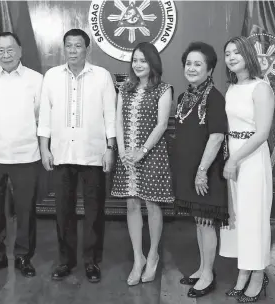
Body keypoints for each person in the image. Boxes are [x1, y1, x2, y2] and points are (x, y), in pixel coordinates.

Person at [38, 29, 116, 283]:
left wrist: (110, 148)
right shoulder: (51, 76)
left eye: (78, 46)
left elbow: (110, 116)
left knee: (94, 211)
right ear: (64, 48)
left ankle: (92, 262)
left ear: (87, 49)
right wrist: (44, 148)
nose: (73, 50)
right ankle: (65, 260)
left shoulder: (102, 76)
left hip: (93, 154)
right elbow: (45, 117)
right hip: (61, 153)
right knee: (63, 211)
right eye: (68, 46)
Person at [0, 32, 43, 278]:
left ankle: (24, 257)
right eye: (0, 50)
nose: (6, 54)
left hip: (26, 156)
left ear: (20, 50)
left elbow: (40, 118)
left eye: (10, 49)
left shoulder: (36, 80)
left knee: (25, 212)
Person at [111, 42, 174, 286]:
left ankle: (153, 255)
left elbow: (161, 125)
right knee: (132, 205)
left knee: (152, 205)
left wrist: (142, 151)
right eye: (135, 60)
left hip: (153, 154)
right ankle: (138, 258)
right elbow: (117, 121)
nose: (138, 64)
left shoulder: (163, 89)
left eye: (143, 60)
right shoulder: (124, 89)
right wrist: (124, 150)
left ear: (153, 63)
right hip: (127, 155)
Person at [220, 36, 274, 303]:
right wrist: (229, 157)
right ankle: (244, 269)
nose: (231, 57)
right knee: (239, 217)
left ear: (248, 55)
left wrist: (235, 159)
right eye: (227, 53)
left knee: (254, 217)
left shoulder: (261, 87)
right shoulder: (232, 88)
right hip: (234, 153)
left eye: (236, 52)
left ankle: (258, 272)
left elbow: (262, 133)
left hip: (251, 157)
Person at [172, 42, 229, 298]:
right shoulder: (184, 97)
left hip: (205, 174)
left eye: (198, 64)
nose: (192, 68)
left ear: (210, 69)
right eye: (188, 63)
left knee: (206, 222)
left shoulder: (215, 97)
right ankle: (202, 267)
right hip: (189, 171)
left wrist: (201, 171)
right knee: (198, 222)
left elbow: (216, 137)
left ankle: (208, 275)